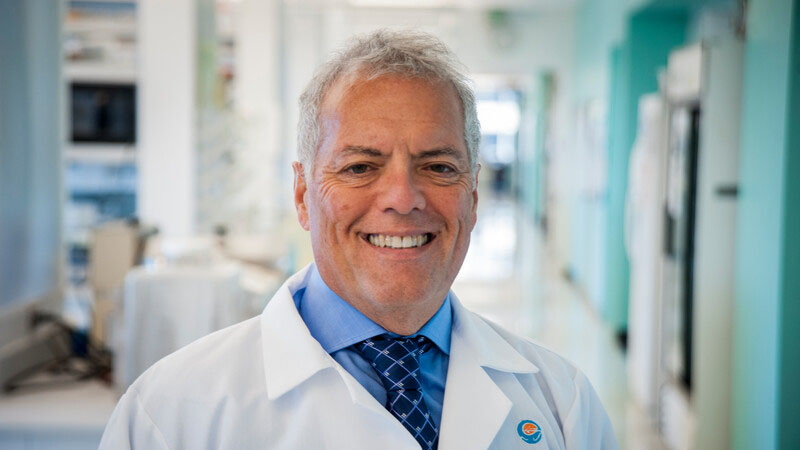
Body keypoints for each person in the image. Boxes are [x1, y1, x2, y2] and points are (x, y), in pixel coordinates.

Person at [100, 30, 618, 450]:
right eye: (360, 166)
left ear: (474, 196)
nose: (403, 197)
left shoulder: (560, 402)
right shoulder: (172, 416)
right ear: (304, 195)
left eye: (438, 166)